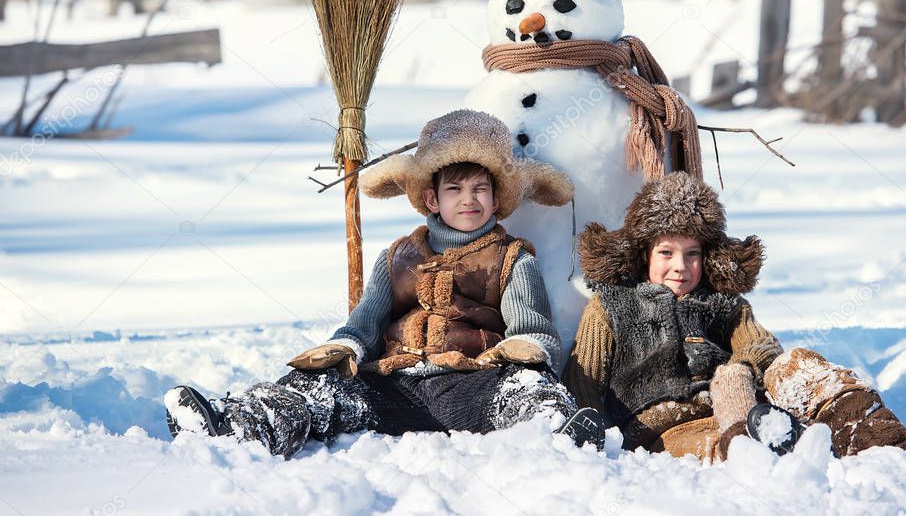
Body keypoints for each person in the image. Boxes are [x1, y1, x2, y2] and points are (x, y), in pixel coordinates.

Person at [165, 109, 603, 458]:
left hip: (470, 386)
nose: (468, 199)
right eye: (455, 189)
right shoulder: (398, 257)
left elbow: (532, 326)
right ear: (432, 198)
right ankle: (242, 424)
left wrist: (524, 349)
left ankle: (559, 433)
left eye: (480, 188)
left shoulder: (511, 257)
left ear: (496, 196)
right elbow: (366, 322)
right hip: (396, 388)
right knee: (318, 388)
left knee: (525, 389)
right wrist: (346, 347)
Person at [562, 172, 906, 462]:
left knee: (795, 365)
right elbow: (583, 383)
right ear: (645, 255)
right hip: (665, 432)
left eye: (692, 254)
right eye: (666, 253)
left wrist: (737, 375)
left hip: (742, 408)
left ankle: (878, 440)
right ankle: (754, 454)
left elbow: (763, 349)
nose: (680, 267)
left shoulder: (724, 304)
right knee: (712, 449)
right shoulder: (612, 306)